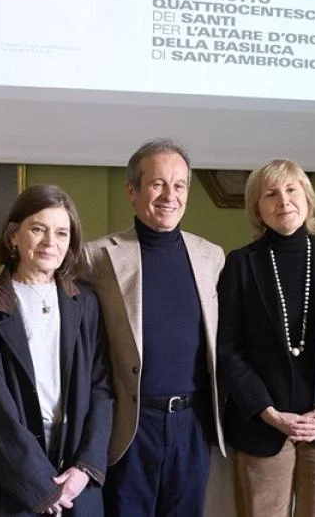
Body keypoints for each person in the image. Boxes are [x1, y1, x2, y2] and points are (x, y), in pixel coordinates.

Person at [217, 159, 315, 517]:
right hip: (263, 425)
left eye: (291, 190)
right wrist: (268, 412)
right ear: (257, 208)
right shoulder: (240, 264)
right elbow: (229, 347)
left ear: (307, 197)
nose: (283, 201)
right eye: (270, 194)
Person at [84, 139, 226, 517]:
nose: (170, 195)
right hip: (130, 427)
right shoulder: (96, 256)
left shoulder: (211, 256)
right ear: (132, 191)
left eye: (179, 185)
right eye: (158, 183)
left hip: (192, 426)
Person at [0, 185, 113, 516]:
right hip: (10, 477)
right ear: (13, 235)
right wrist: (41, 486)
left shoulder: (85, 304)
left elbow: (102, 389)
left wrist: (85, 467)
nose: (50, 242)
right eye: (38, 229)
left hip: (74, 473)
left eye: (62, 233)